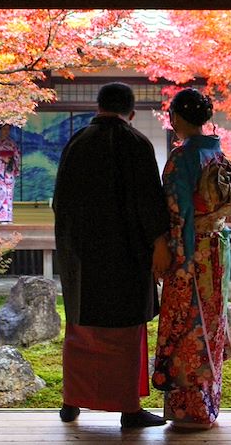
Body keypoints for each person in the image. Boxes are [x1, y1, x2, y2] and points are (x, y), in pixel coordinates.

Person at [53, 82, 171, 428]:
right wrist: (159, 244)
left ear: (98, 107)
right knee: (123, 335)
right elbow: (150, 203)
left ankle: (71, 401)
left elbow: (60, 202)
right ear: (131, 113)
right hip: (124, 256)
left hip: (81, 258)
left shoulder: (75, 143)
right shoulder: (136, 143)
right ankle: (128, 410)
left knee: (82, 330)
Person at [152, 88, 231, 430]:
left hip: (191, 253)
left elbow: (179, 213)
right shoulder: (217, 152)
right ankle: (208, 405)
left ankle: (188, 410)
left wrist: (177, 256)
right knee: (211, 322)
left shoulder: (182, 157)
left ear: (176, 118)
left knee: (187, 324)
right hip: (217, 249)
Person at [0, 124, 20, 224]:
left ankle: (9, 217)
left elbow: (16, 156)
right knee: (1, 193)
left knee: (9, 193)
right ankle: (2, 217)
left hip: (9, 169)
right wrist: (1, 159)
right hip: (0, 170)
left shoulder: (12, 143)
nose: (6, 131)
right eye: (4, 129)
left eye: (8, 129)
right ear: (0, 130)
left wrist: (15, 167)